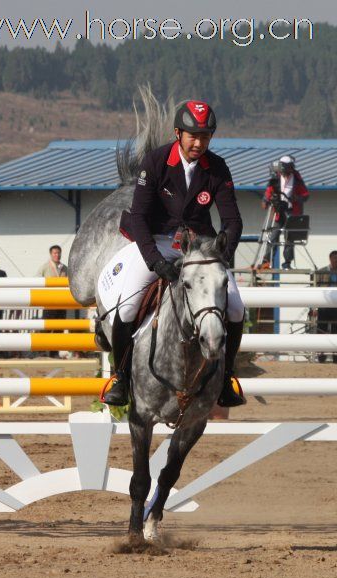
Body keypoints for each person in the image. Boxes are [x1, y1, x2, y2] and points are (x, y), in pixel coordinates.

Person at [103, 100, 245, 407]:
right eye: (193, 135)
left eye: (205, 136)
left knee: (235, 308)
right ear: (177, 133)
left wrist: (223, 254)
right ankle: (120, 376)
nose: (199, 142)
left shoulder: (217, 168)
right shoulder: (155, 162)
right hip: (159, 241)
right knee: (126, 308)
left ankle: (227, 378)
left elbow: (233, 220)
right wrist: (155, 260)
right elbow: (139, 217)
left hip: (201, 249)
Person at [261, 156, 309, 269]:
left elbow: (305, 195)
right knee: (273, 236)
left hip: (292, 212)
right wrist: (266, 200)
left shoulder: (296, 179)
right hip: (278, 212)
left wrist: (297, 198)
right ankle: (266, 261)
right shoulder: (276, 179)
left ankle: (287, 262)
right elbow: (269, 192)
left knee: (290, 238)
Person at [314, 250, 337, 363]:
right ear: (330, 258)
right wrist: (315, 307)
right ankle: (321, 357)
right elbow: (316, 290)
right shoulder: (321, 272)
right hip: (323, 307)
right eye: (335, 258)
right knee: (321, 331)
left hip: (336, 307)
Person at [37, 245, 68, 356]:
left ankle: (54, 352)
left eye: (59, 253)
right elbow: (37, 282)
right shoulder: (44, 267)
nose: (57, 255)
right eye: (55, 253)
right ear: (51, 254)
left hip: (62, 303)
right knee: (46, 328)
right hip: (49, 303)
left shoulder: (65, 268)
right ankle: (40, 351)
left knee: (59, 329)